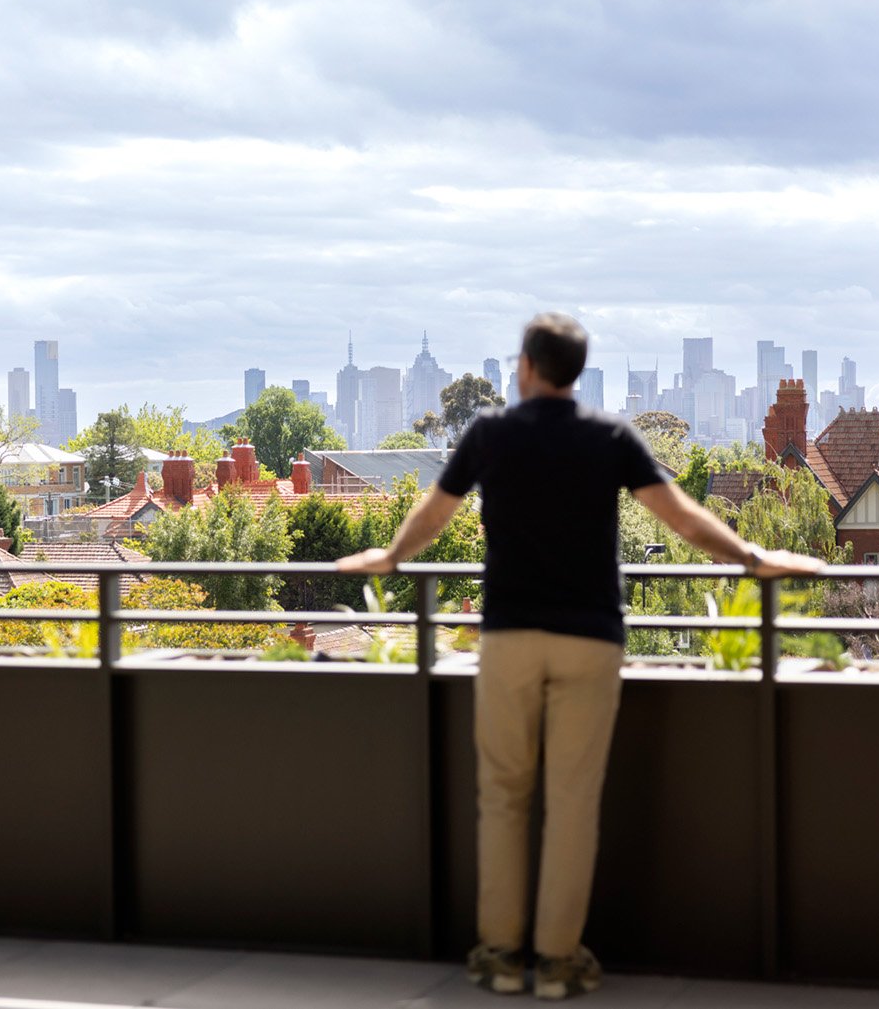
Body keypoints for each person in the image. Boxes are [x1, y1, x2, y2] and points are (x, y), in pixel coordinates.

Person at [337, 312, 823, 1001]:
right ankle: (559, 963)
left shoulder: (490, 434)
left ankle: (502, 956)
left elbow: (435, 512)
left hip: (509, 636)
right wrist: (751, 556)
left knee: (503, 797)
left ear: (529, 366)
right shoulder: (611, 438)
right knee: (572, 803)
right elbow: (680, 515)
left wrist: (389, 557)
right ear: (576, 370)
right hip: (591, 638)